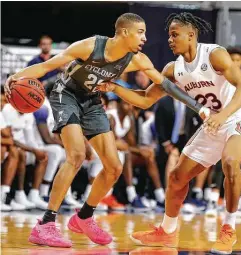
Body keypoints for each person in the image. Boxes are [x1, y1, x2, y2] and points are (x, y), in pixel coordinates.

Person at [4, 13, 208, 248]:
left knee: (114, 166)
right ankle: (45, 224)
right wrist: (17, 76)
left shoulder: (138, 60)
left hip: (92, 100)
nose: (145, 37)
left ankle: (84, 217)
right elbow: (48, 66)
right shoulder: (90, 46)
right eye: (140, 32)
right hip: (66, 95)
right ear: (124, 32)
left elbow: (165, 85)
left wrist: (198, 106)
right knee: (77, 155)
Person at [99, 12, 241, 254]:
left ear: (191, 35)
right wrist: (115, 87)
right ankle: (166, 231)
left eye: (175, 35)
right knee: (177, 177)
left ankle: (228, 230)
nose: (170, 40)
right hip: (214, 122)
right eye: (169, 36)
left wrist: (222, 114)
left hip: (240, 115)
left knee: (230, 161)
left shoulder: (214, 54)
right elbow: (145, 100)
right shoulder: (172, 69)